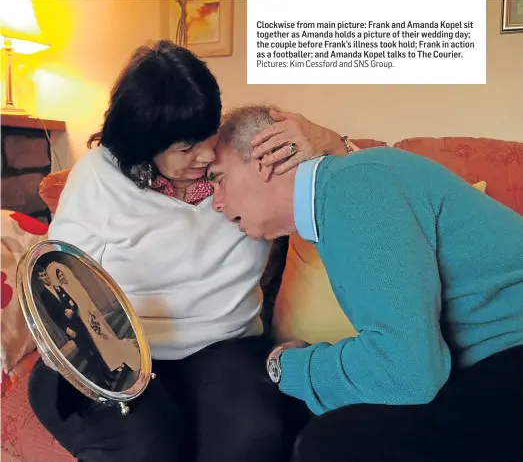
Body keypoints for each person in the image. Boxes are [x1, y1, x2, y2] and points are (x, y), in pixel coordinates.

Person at [28, 40, 347, 462]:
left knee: (250, 436)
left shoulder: (252, 157)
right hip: (114, 351)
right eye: (184, 146)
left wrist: (334, 145)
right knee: (144, 447)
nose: (204, 154)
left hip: (224, 344)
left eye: (207, 134)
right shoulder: (98, 177)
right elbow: (60, 281)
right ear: (144, 142)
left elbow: (361, 194)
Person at [208, 105, 523, 462]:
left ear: (264, 157)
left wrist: (285, 364)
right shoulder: (343, 189)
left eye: (219, 178)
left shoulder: (354, 187)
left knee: (330, 445)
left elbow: (407, 372)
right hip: (483, 363)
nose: (216, 203)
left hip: (511, 355)